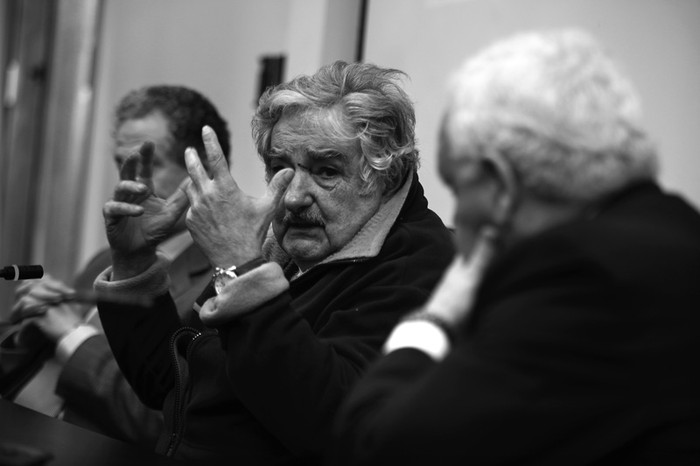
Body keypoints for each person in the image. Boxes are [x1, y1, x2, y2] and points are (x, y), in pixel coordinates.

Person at [329, 29, 700, 465]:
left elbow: (376, 445)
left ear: (501, 187)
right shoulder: (677, 230)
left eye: (459, 187)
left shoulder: (585, 281)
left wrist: (434, 317)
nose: (458, 215)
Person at [94, 61, 455, 464]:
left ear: (386, 175)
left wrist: (240, 266)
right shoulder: (277, 251)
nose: (294, 196)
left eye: (326, 170)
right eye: (280, 167)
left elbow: (337, 427)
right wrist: (133, 259)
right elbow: (169, 385)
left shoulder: (426, 268)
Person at [8, 85, 231, 448]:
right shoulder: (107, 258)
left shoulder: (219, 281)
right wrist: (35, 322)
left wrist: (71, 336)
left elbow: (168, 421)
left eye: (149, 164)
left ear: (199, 169)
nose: (128, 181)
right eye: (120, 164)